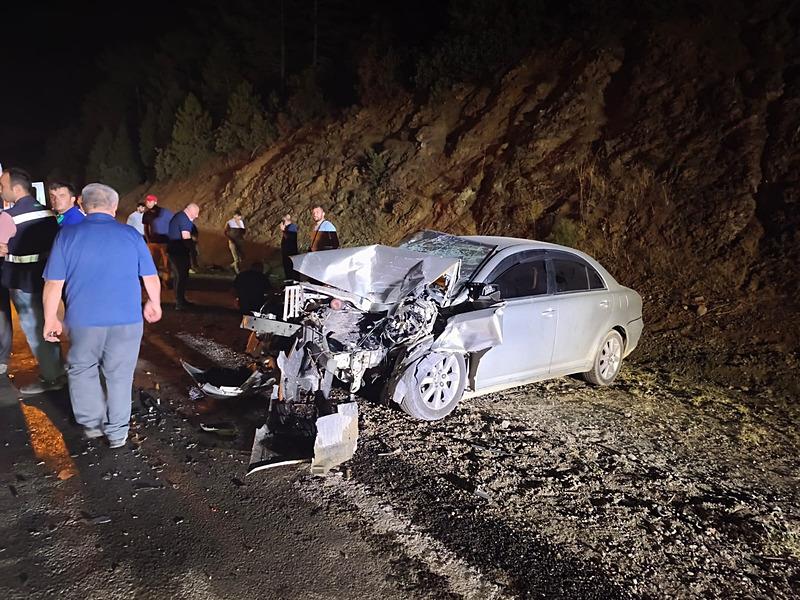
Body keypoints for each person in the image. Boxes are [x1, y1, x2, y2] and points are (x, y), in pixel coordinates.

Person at [42, 183, 162, 448]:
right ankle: (117, 433)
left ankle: (93, 423)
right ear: (114, 207)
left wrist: (51, 318)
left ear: (82, 205)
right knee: (119, 376)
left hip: (83, 321)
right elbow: (150, 276)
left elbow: (53, 284)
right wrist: (154, 302)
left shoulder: (67, 236)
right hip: (127, 321)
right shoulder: (131, 235)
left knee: (82, 369)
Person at [0, 168, 65, 394]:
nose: (1, 191)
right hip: (47, 281)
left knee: (35, 329)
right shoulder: (48, 213)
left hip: (22, 283)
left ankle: (52, 377)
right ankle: (57, 368)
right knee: (49, 324)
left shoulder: (8, 217)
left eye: (3, 186)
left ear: (16, 188)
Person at [167, 203, 200, 310]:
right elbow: (186, 238)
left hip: (175, 251)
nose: (197, 216)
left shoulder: (180, 217)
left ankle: (180, 300)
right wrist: (193, 251)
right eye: (196, 213)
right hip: (178, 252)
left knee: (180, 276)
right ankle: (179, 303)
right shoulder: (184, 219)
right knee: (181, 276)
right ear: (190, 210)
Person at [141, 194, 173, 285]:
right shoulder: (146, 214)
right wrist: (148, 240)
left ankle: (166, 281)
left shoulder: (164, 212)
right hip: (153, 242)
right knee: (153, 263)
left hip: (165, 241)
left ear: (155, 202)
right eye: (147, 201)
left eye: (150, 201)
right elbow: (145, 228)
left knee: (166, 263)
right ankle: (155, 282)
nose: (148, 203)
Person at [224, 209, 246, 274]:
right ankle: (238, 272)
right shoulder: (229, 222)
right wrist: (230, 239)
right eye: (237, 216)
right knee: (236, 258)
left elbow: (243, 231)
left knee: (241, 257)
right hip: (232, 241)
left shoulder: (241, 223)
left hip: (239, 241)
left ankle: (230, 267)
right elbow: (225, 232)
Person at [279, 213, 298, 280]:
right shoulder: (288, 228)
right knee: (287, 270)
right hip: (286, 253)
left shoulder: (292, 227)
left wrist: (283, 230)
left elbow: (289, 238)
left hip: (290, 253)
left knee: (290, 270)